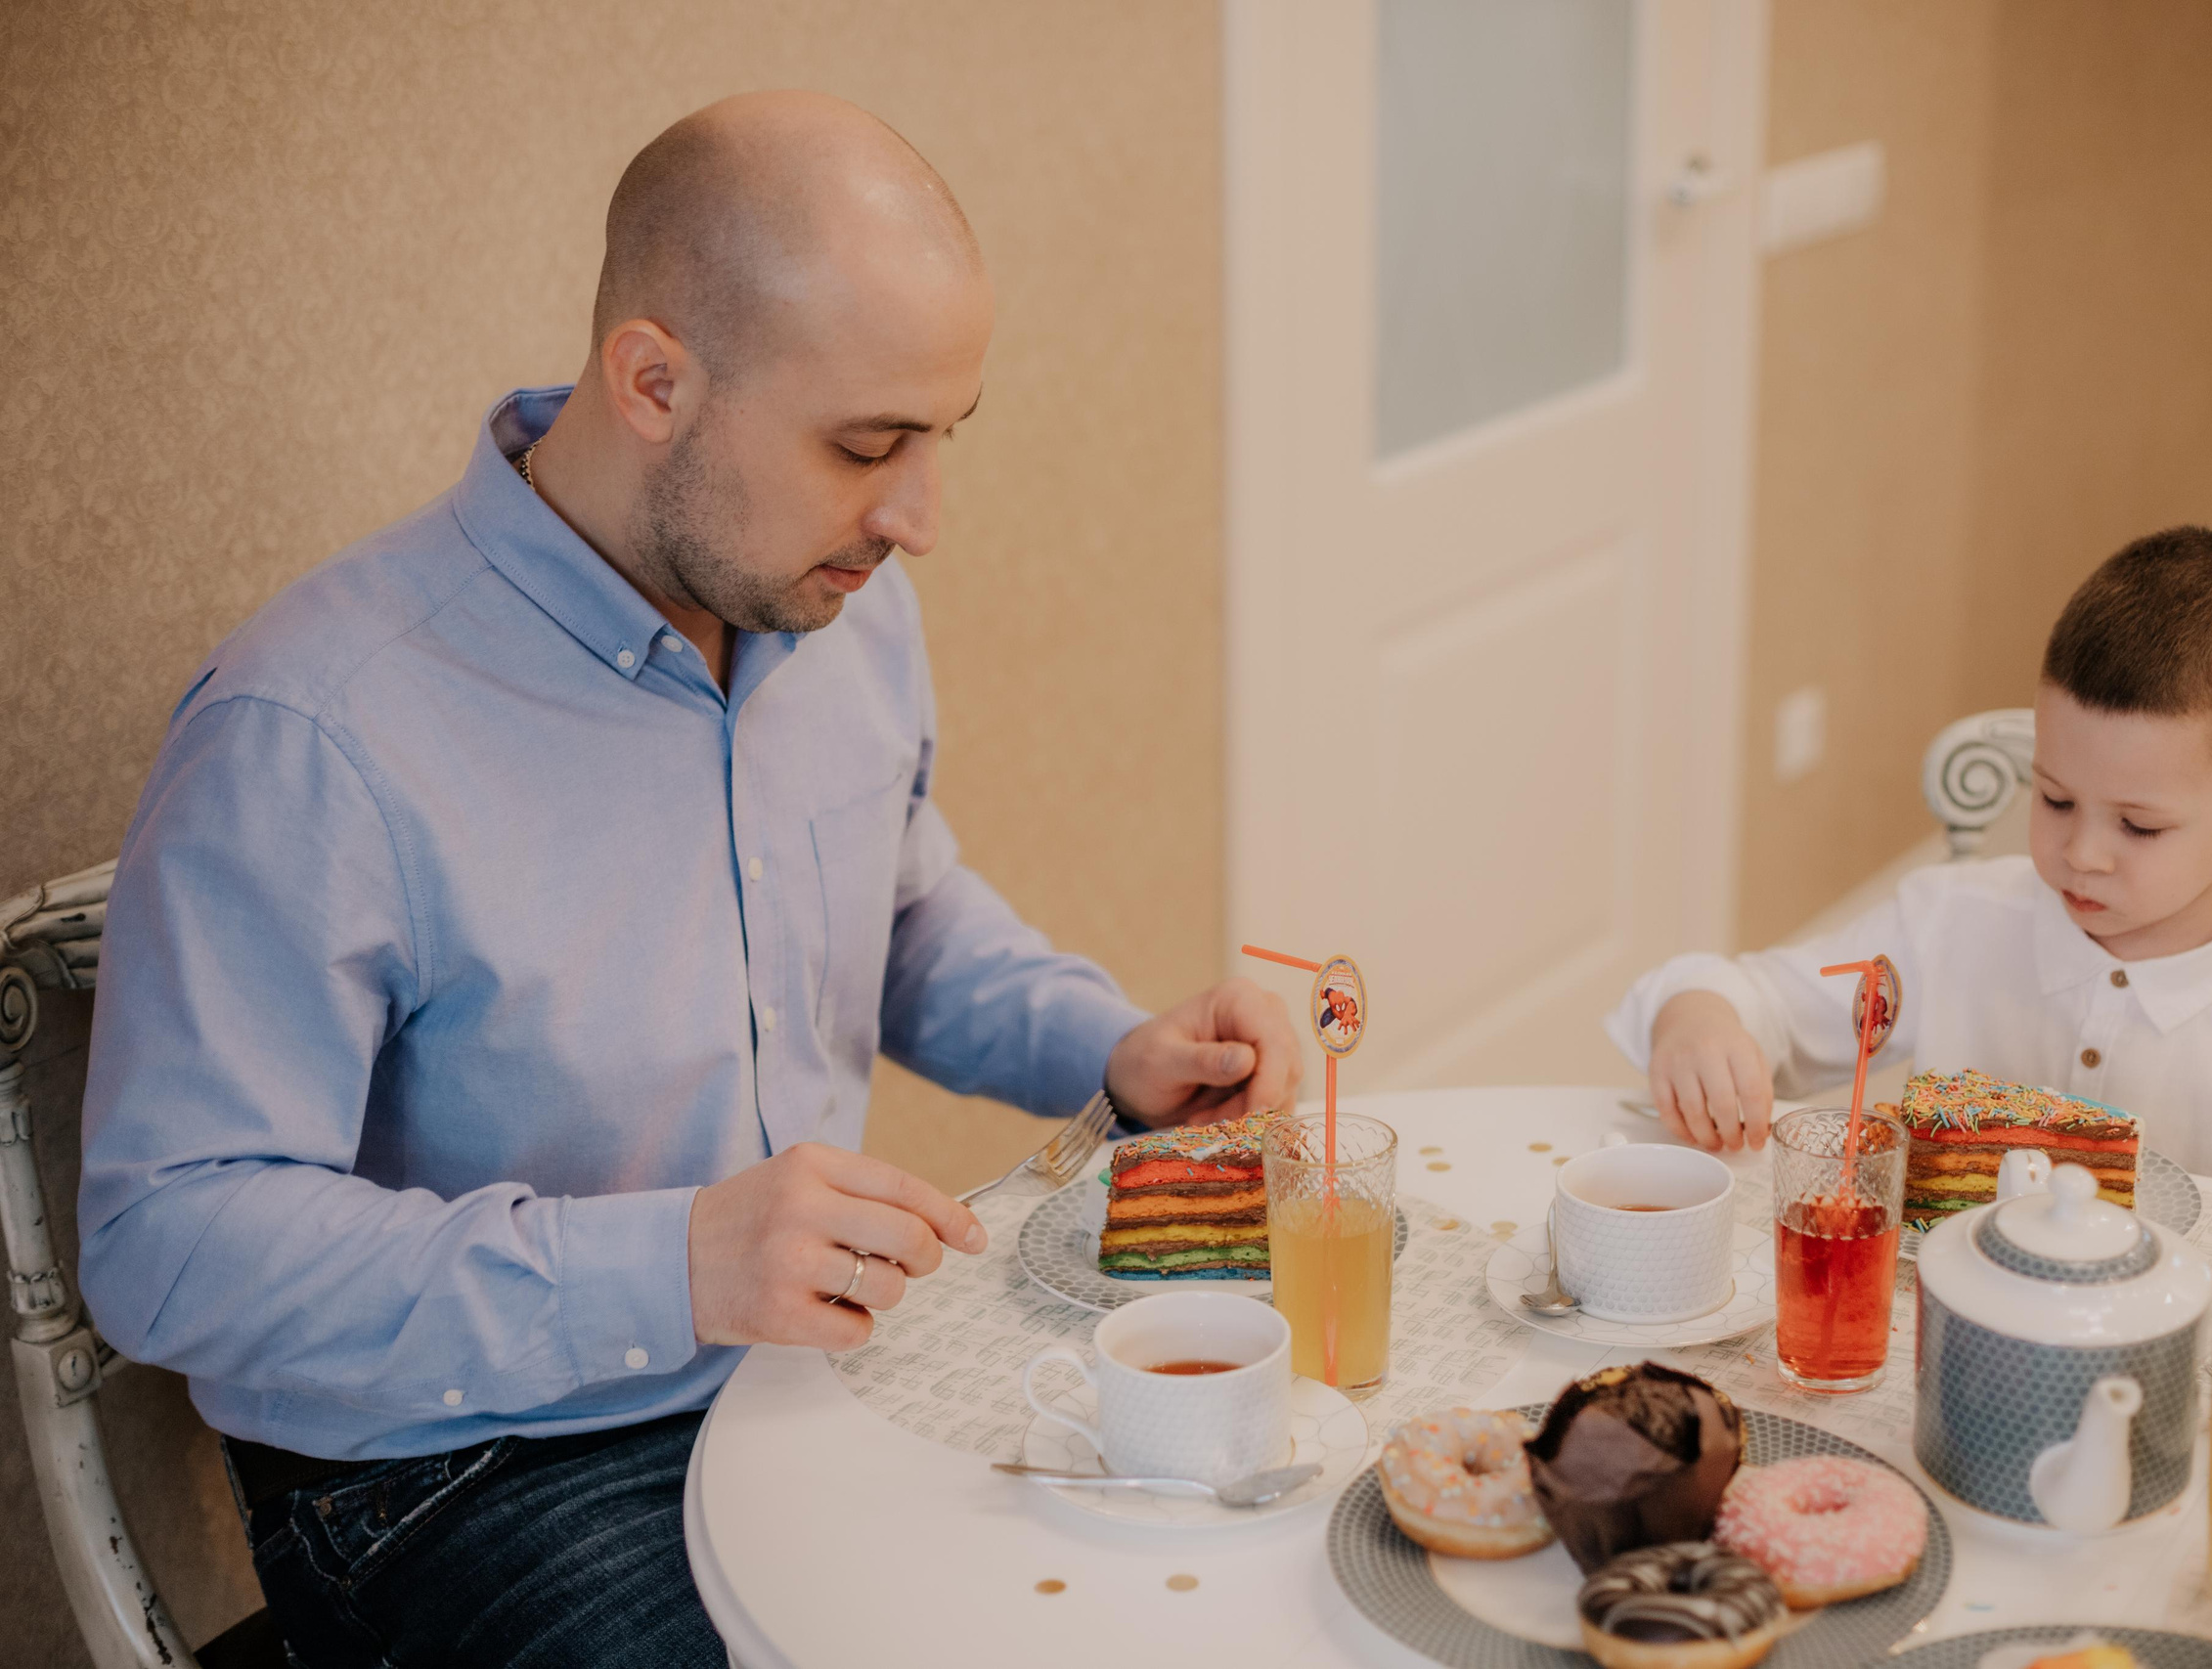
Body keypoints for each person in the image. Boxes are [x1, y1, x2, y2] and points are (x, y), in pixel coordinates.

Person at [77, 92, 1302, 1667]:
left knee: (1186, 1581)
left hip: (796, 1375)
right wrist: (671, 1261)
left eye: (943, 436)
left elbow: (904, 913)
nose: (921, 519)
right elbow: (170, 1243)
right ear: (652, 380)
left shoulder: (835, 601)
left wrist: (1113, 1045)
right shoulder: (312, 730)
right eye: (867, 445)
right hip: (461, 1471)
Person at [1607, 525, 2212, 1208]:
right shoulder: (1949, 922)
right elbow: (1759, 999)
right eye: (2054, 799)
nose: (2081, 853)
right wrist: (1699, 1020)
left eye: (2139, 824)